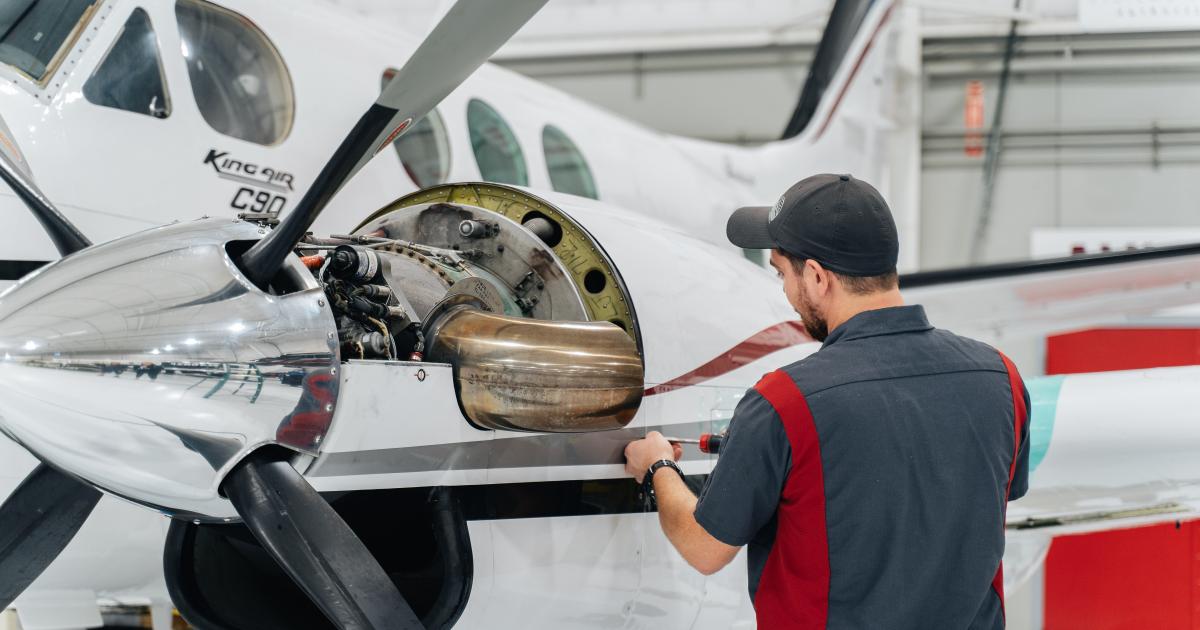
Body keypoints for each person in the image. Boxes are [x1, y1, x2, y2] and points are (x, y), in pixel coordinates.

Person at [624, 173, 1030, 629]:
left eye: (782, 273)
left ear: (816, 276)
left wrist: (658, 466)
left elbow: (703, 547)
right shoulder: (1002, 377)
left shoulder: (784, 402)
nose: (784, 292)